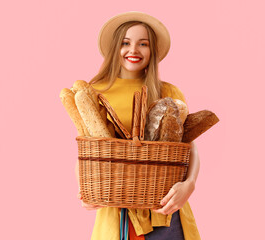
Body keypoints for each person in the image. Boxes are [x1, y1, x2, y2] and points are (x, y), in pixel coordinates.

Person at [76, 11, 201, 240]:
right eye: (126, 43)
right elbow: (87, 149)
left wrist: (189, 185)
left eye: (143, 44)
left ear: (152, 51)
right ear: (116, 48)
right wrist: (85, 190)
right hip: (116, 213)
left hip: (165, 213)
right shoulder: (95, 93)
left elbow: (188, 148)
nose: (133, 50)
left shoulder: (169, 92)